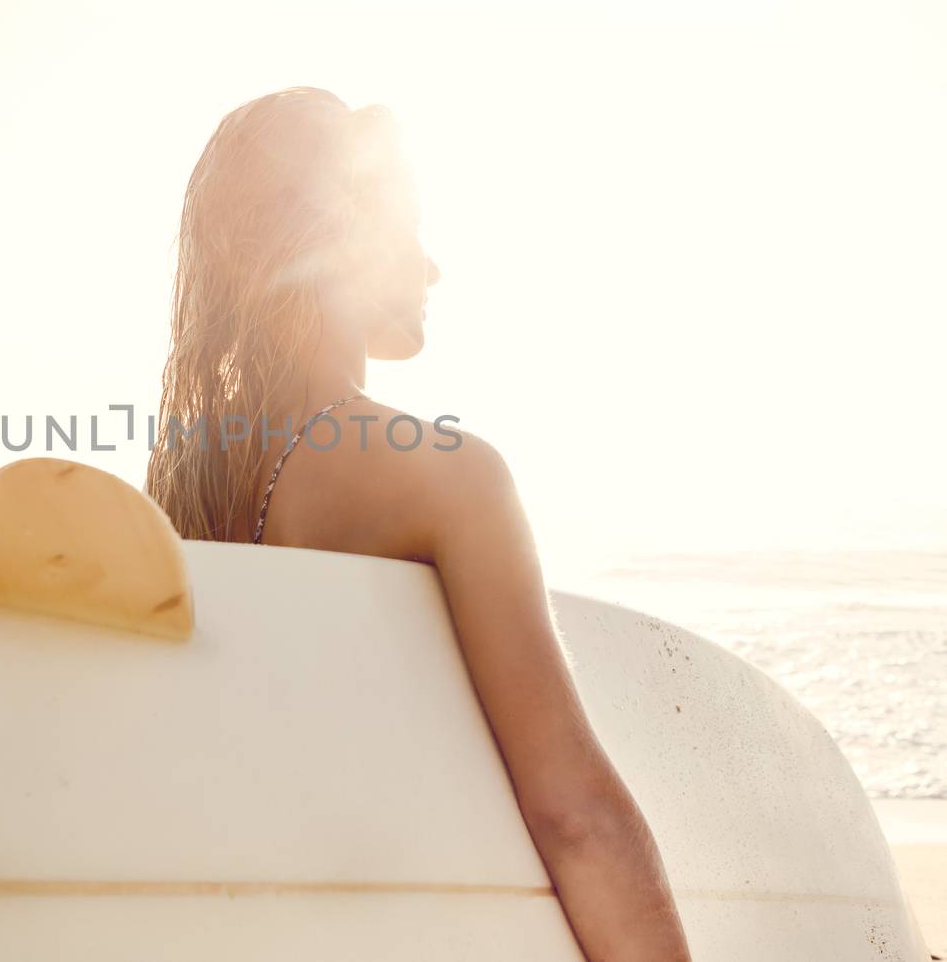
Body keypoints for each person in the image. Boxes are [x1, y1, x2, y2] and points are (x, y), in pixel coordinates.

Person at [144, 87, 693, 961]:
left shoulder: (177, 488)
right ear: (339, 240)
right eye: (408, 230)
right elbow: (574, 814)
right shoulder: (442, 475)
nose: (431, 269)